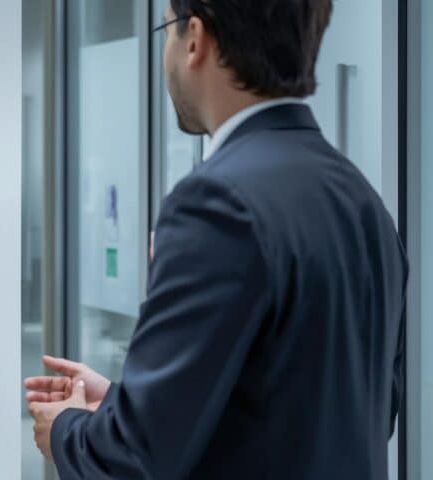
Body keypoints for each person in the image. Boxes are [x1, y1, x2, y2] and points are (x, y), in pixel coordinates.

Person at [25, 0, 408, 478]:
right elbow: (347, 414)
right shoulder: (362, 203)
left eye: (166, 29)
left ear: (195, 39)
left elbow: (133, 460)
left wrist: (66, 429)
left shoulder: (215, 201)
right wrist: (126, 403)